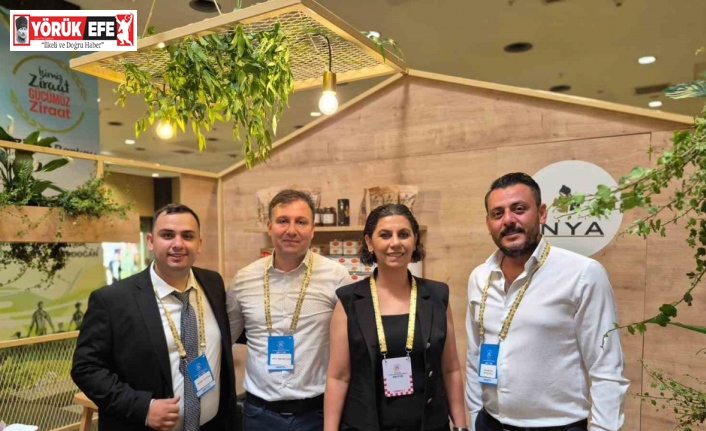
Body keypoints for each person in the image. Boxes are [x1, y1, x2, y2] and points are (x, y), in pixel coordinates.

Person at [465, 172, 629, 431]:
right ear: (488, 223)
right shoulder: (480, 277)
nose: (508, 220)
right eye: (497, 213)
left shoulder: (582, 274)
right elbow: (475, 353)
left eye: (519, 209)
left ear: (541, 214)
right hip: (489, 422)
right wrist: (476, 415)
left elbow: (606, 367)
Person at [72, 204, 237, 431]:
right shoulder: (113, 300)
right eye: (167, 235)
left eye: (188, 236)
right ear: (151, 242)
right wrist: (143, 408)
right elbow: (86, 369)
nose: (178, 244)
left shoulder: (213, 283)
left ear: (199, 244)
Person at [325, 204, 468, 431]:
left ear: (415, 240)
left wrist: (461, 427)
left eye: (403, 234)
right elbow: (338, 377)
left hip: (429, 424)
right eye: (385, 235)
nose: (395, 243)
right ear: (369, 243)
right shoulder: (349, 301)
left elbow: (450, 369)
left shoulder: (436, 296)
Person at [227, 189, 352, 431]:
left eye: (301, 222)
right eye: (283, 221)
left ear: (313, 229)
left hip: (316, 415)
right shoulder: (243, 280)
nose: (291, 230)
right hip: (259, 415)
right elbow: (223, 342)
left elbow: (349, 351)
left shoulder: (337, 277)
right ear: (269, 226)